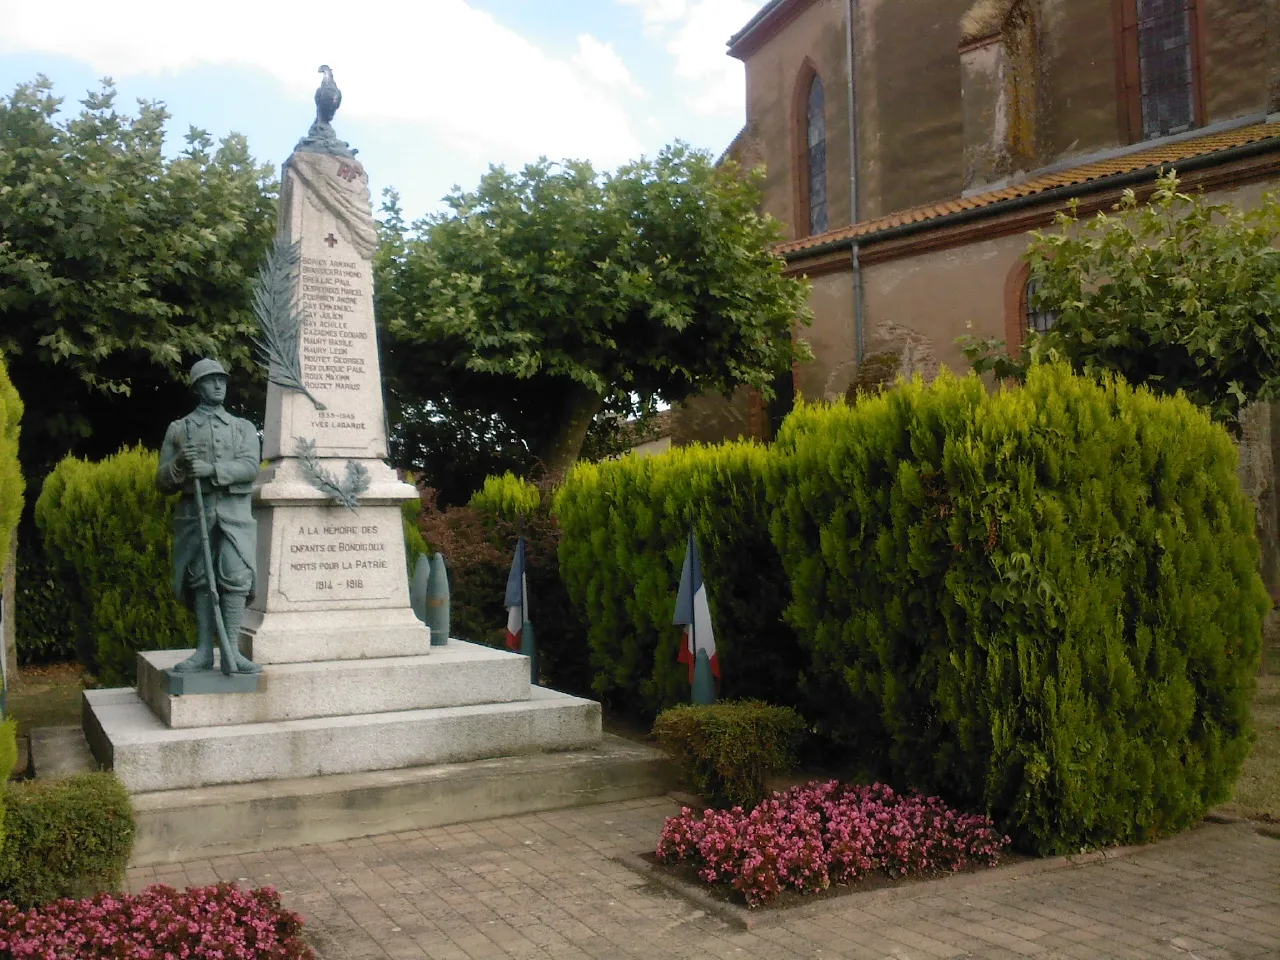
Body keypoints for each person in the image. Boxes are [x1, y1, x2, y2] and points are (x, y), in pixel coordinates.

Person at [156, 358, 262, 674]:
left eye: (222, 380)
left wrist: (212, 470)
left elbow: (250, 468)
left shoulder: (242, 428)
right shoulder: (180, 429)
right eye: (211, 380)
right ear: (197, 386)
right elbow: (161, 480)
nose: (218, 385)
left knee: (235, 575)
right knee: (201, 579)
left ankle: (232, 650)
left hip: (235, 515)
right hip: (195, 515)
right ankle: (204, 651)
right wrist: (179, 467)